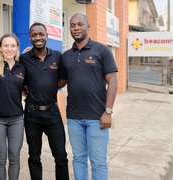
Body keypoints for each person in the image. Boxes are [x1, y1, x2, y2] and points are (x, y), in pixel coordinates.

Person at [59, 13, 118, 180]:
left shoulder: (102, 50)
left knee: (98, 161)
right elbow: (60, 82)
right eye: (72, 25)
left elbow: (112, 82)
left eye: (80, 24)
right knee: (78, 159)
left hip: (97, 117)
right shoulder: (66, 56)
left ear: (88, 26)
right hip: (74, 117)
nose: (76, 28)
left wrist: (108, 111)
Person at [19, 22, 69, 180]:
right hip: (32, 113)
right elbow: (17, 79)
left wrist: (46, 86)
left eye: (41, 34)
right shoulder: (23, 58)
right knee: (34, 156)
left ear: (47, 36)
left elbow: (62, 80)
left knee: (60, 156)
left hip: (53, 111)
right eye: (34, 35)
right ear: (29, 37)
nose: (38, 37)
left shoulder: (57, 56)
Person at [0, 33, 26, 180]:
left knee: (15, 157)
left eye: (13, 46)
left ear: (17, 48)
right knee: (0, 159)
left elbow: (27, 87)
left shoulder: (22, 68)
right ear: (0, 47)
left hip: (17, 118)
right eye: (6, 45)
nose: (9, 49)